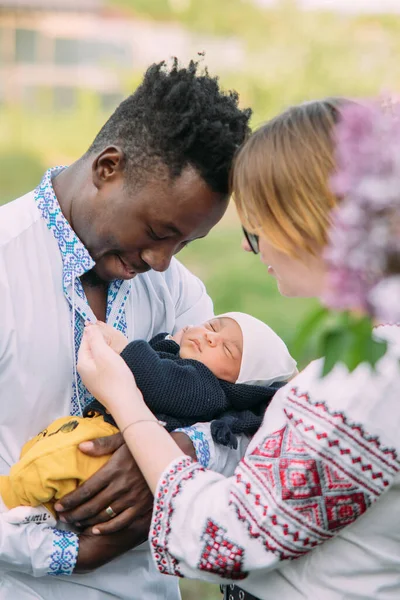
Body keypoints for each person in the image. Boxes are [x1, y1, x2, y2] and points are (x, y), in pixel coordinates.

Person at [76, 98, 400, 600]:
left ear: (306, 217)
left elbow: (226, 541)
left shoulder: (371, 378)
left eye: (256, 227)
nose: (251, 248)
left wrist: (128, 404)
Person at [0, 59, 252, 599]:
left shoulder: (179, 293)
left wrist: (174, 453)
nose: (162, 261)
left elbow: (241, 423)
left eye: (184, 243)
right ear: (108, 168)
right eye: (159, 232)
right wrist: (64, 553)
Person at [0, 313, 297, 515]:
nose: (209, 338)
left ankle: (10, 497)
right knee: (46, 449)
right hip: (97, 429)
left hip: (114, 442)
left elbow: (158, 382)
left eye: (228, 350)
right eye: (212, 327)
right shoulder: (191, 369)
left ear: (240, 383)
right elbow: (162, 362)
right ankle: (37, 509)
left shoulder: (208, 390)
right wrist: (172, 343)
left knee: (58, 460)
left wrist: (123, 347)